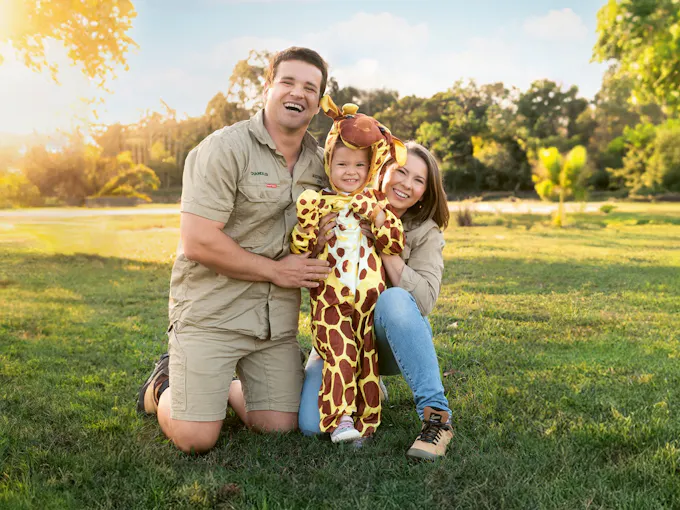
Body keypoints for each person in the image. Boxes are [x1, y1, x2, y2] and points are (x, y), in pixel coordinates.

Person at [136, 47, 332, 454]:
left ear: (318, 102)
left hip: (273, 323)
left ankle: (217, 385)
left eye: (310, 87)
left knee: (279, 427)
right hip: (212, 312)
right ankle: (164, 383)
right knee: (196, 439)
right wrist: (278, 271)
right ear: (268, 87)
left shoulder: (321, 162)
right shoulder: (223, 149)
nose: (298, 93)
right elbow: (198, 241)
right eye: (288, 81)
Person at [298, 141, 454, 460]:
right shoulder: (343, 205)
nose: (406, 184)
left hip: (388, 339)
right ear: (381, 170)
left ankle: (436, 418)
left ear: (425, 192)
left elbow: (422, 301)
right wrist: (316, 245)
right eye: (401, 172)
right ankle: (359, 386)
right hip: (338, 332)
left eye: (419, 180)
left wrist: (386, 247)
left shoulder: (426, 232)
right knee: (312, 426)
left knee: (395, 300)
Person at [290, 97, 406, 443]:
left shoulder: (377, 204)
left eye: (358, 164)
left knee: (365, 358)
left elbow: (394, 242)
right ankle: (341, 419)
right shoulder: (318, 202)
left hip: (368, 301)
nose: (351, 171)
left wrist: (378, 216)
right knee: (342, 353)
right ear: (329, 163)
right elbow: (300, 248)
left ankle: (366, 423)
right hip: (331, 300)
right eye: (342, 163)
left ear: (370, 167)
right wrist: (311, 231)